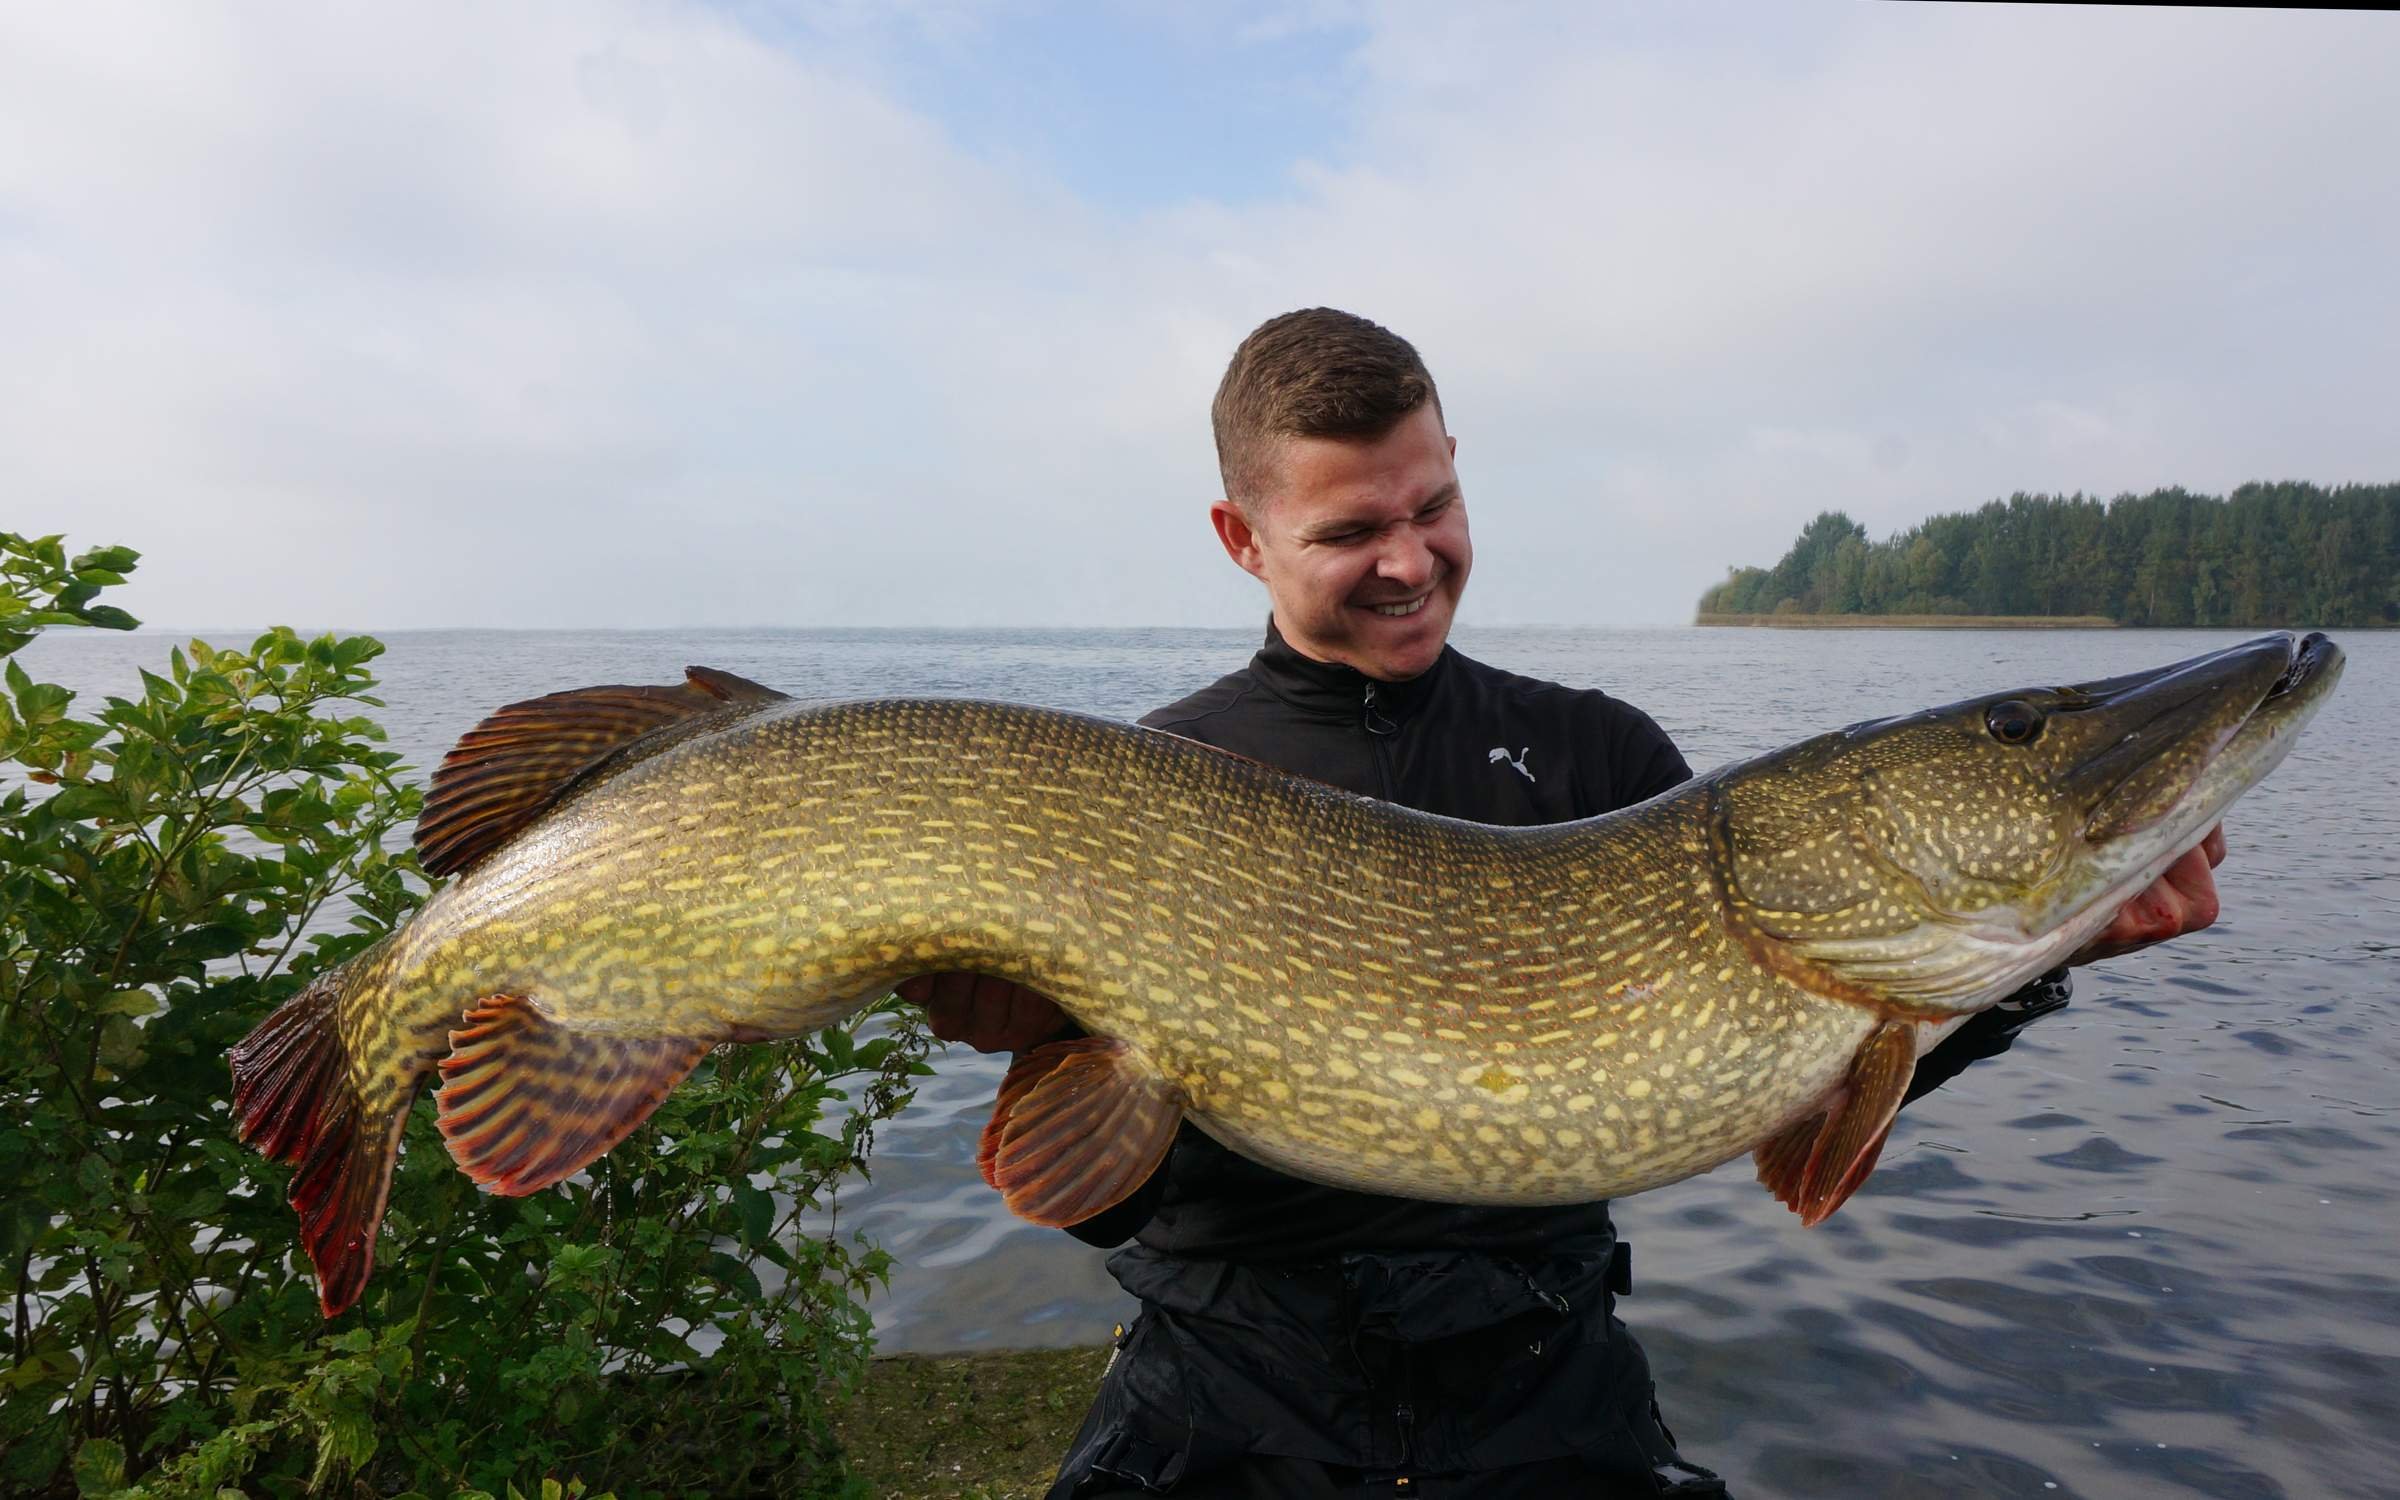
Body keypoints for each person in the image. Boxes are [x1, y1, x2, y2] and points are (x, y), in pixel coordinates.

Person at [899, 309, 2228, 1498]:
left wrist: (2034, 966)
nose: (1411, 562)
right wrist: (1025, 1037)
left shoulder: (1605, 763)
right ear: (1240, 539)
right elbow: (1099, 1193)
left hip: (1544, 1394)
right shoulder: (1153, 788)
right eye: (1351, 531)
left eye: (1434, 506)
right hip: (1233, 1400)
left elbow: (1793, 1075)